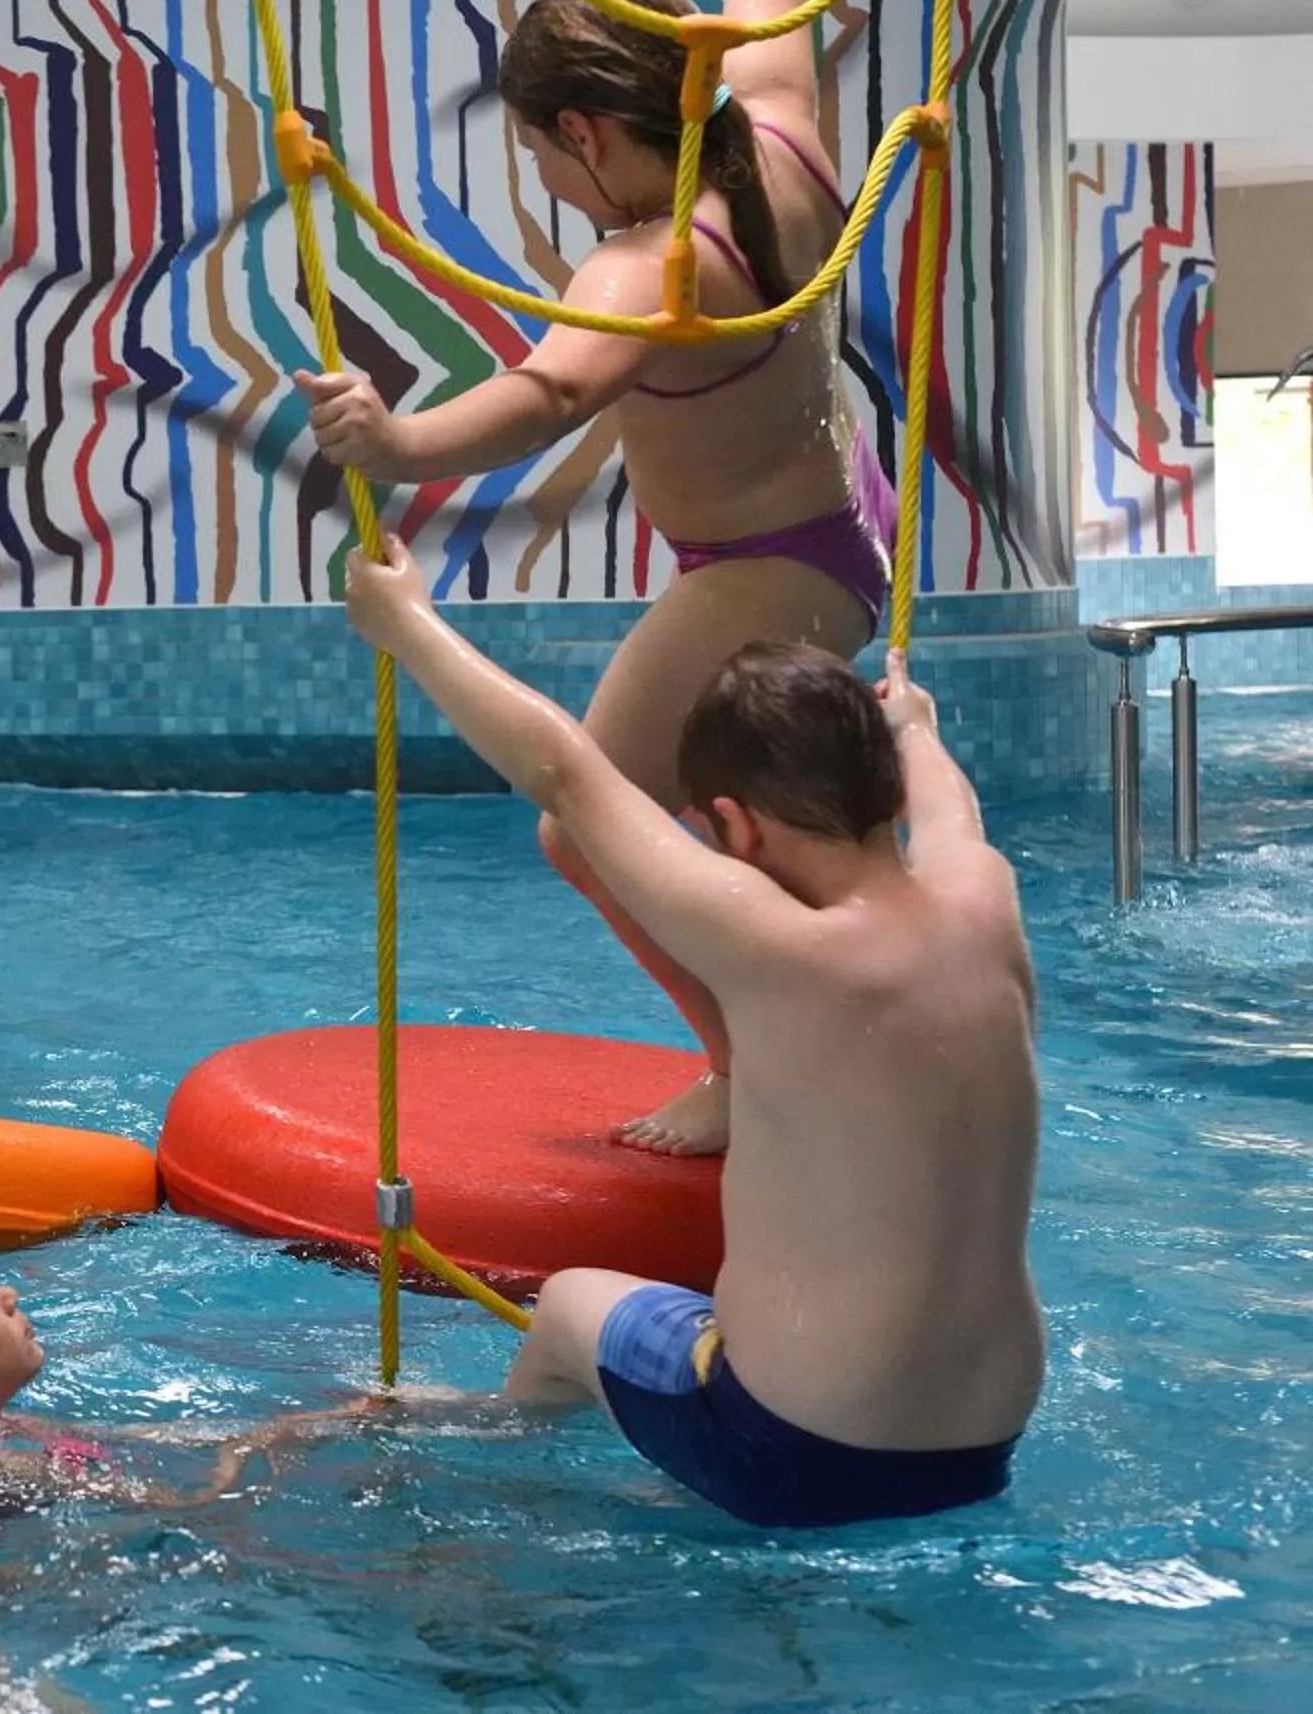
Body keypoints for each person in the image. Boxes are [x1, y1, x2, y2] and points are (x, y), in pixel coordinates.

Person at [298, 0, 886, 1156]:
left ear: (583, 135)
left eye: (542, 159)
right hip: (838, 533)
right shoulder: (780, 116)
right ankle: (830, 1028)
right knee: (755, 824)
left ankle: (757, 1068)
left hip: (762, 570)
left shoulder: (645, 267)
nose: (554, 188)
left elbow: (550, 393)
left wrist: (396, 444)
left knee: (586, 825)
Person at [342, 536, 1043, 1529]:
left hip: (795, 1451)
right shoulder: (987, 902)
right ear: (885, 785)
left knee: (570, 1306)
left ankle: (499, 1467)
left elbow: (571, 777)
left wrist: (406, 623)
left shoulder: (786, 949)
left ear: (737, 827)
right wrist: (917, 727)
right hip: (983, 1446)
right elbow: (953, 809)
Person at [0, 1218, 354, 1501]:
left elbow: (131, 1442)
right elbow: (186, 1506)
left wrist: (314, 1421)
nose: (8, 1296)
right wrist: (250, 1451)